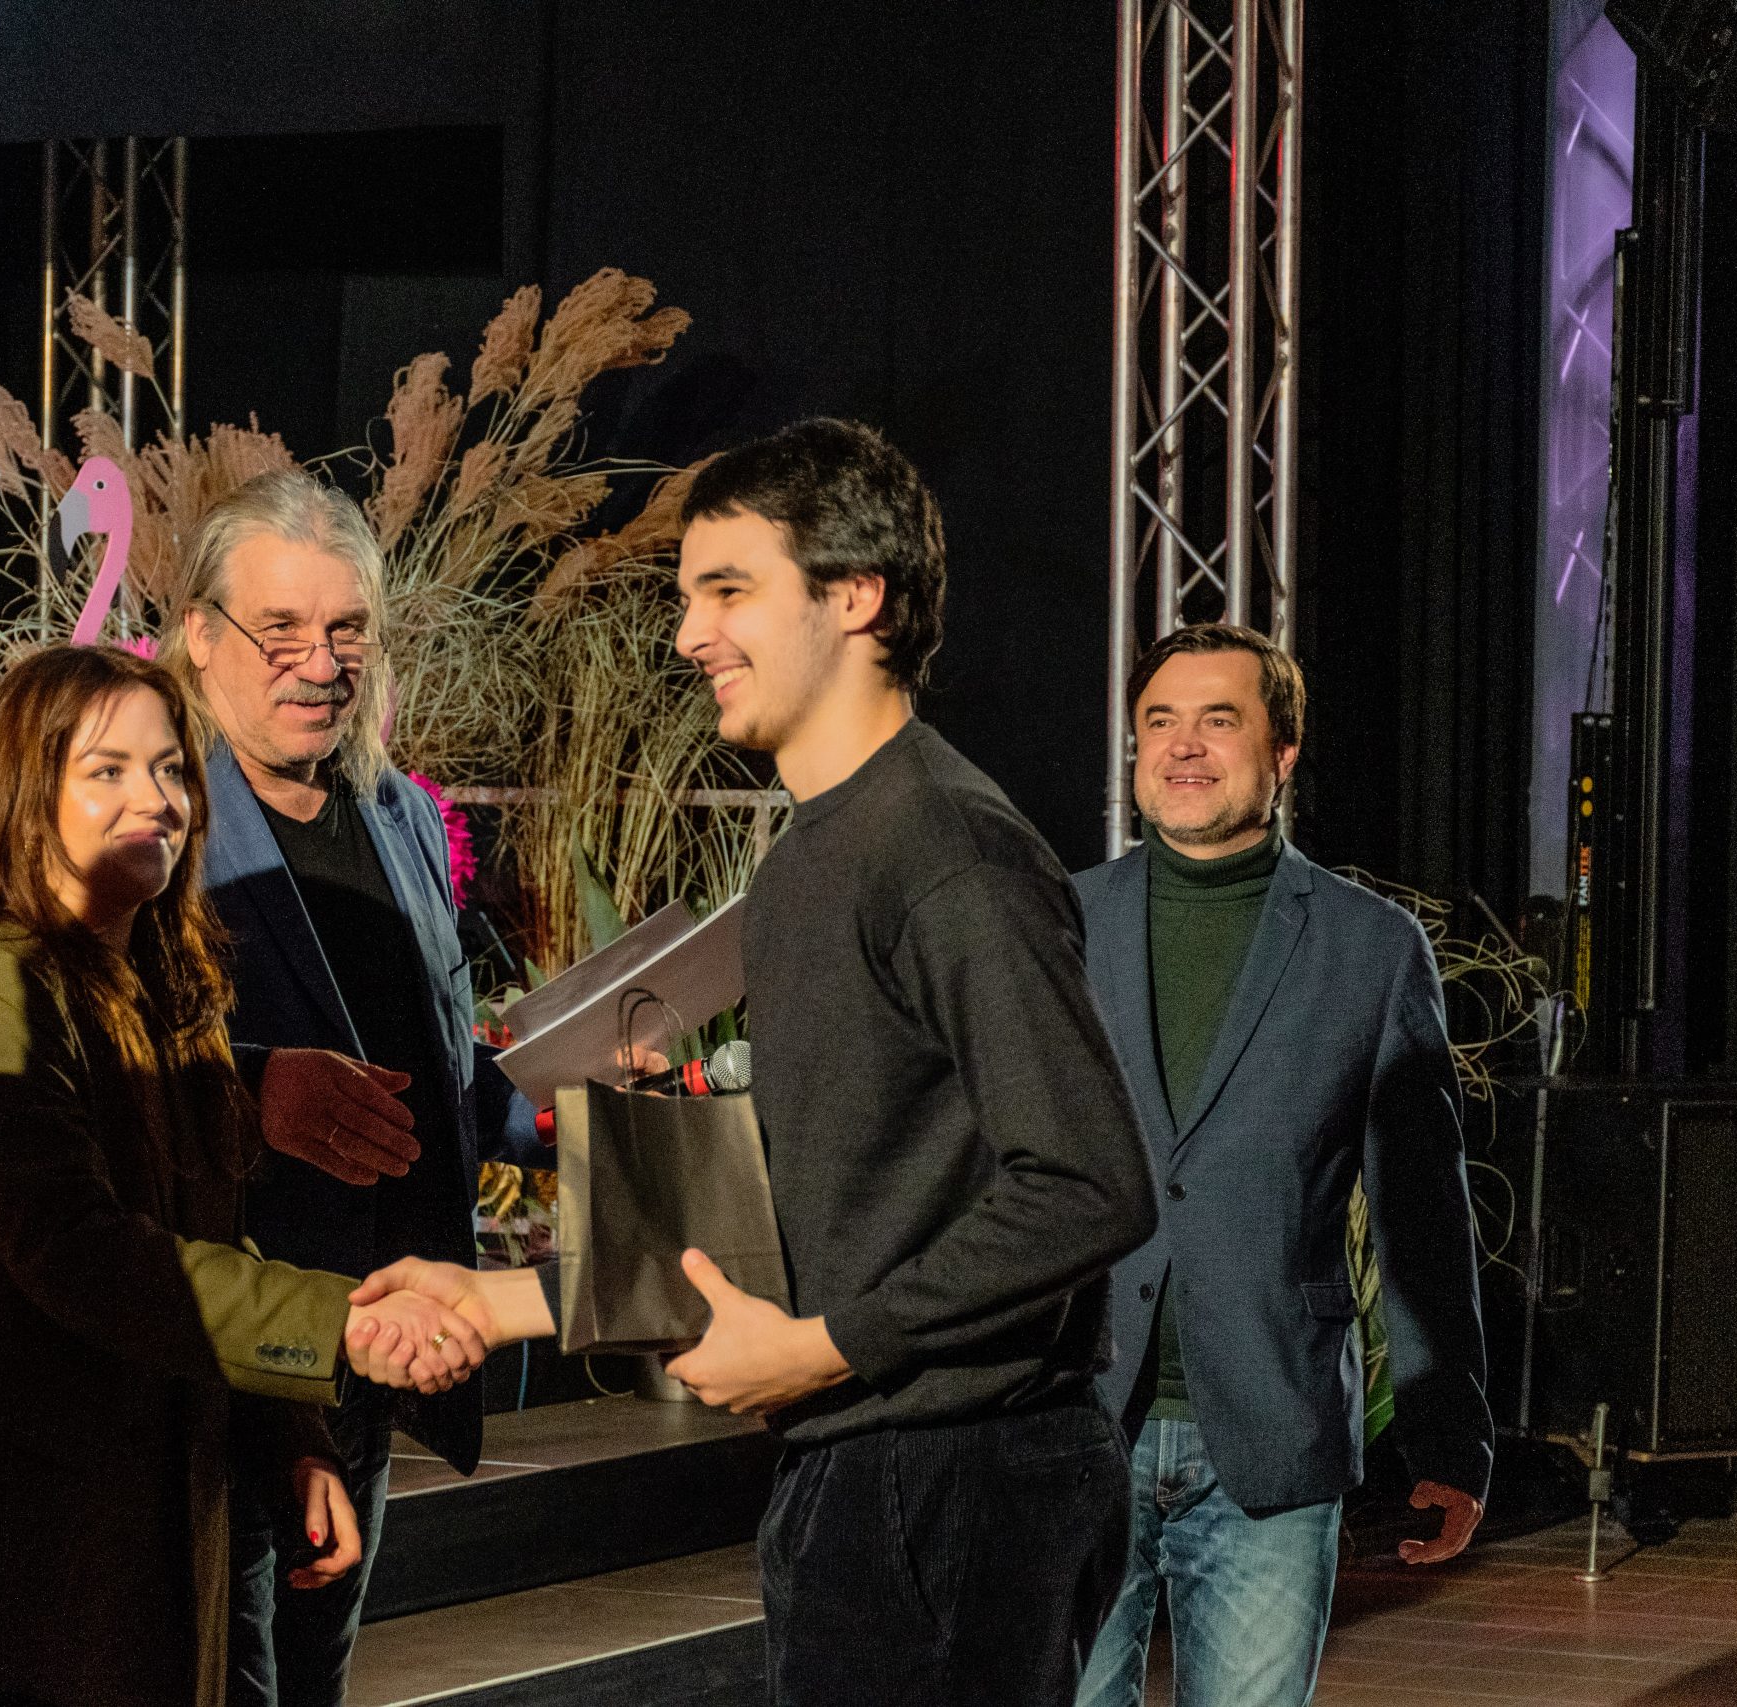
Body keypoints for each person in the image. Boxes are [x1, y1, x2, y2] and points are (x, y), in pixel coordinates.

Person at [361, 419, 1161, 1704]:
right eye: (688, 597)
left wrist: (831, 1345)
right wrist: (504, 1301)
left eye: (728, 590)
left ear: (855, 596)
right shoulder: (808, 858)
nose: (689, 634)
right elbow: (811, 1206)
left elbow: (1088, 1185)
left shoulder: (946, 849)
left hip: (952, 1476)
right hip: (871, 1465)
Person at [0, 645, 498, 1707]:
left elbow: (210, 1230)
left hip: (147, 1555)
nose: (156, 799)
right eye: (107, 770)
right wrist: (342, 1322)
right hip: (20, 1580)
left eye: (171, 769)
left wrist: (291, 1442)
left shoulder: (163, 986)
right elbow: (82, 1253)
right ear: (25, 796)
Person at [162, 471, 549, 1707]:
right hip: (217, 1358)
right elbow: (86, 1067)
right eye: (280, 630)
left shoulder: (402, 817)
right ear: (200, 636)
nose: (319, 664)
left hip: (373, 1349)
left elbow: (437, 1069)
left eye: (345, 630)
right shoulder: (151, 814)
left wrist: (566, 1105)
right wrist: (255, 1089)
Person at [1070, 624, 1492, 1707]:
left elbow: (1421, 1211)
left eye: (1219, 720)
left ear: (1284, 751)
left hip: (1271, 1430)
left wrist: (1449, 1437)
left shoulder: (1370, 947)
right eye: (1159, 721)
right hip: (1075, 1421)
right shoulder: (1062, 923)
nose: (1183, 745)